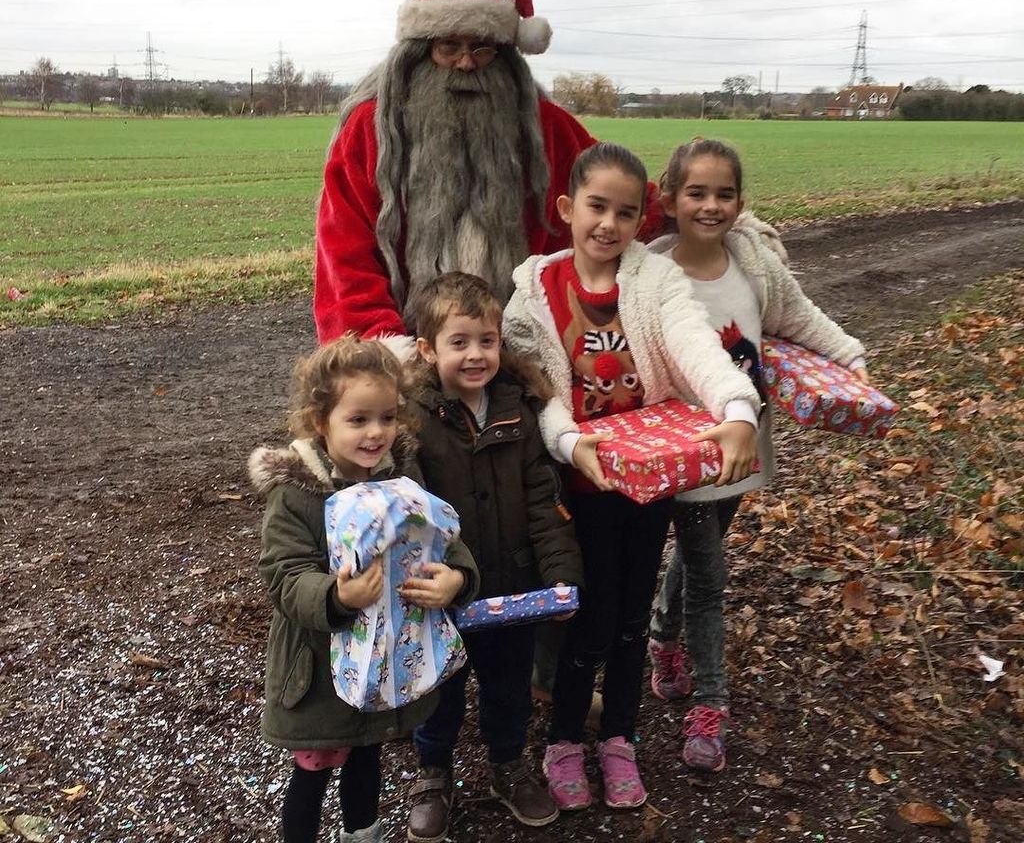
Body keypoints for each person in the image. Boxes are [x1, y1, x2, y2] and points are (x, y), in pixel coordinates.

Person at [502, 142, 762, 810]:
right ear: (567, 208)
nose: (608, 225)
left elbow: (693, 345)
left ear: (641, 217)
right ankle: (563, 741)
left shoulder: (656, 281)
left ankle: (619, 740)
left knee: (627, 622)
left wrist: (736, 408)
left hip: (645, 487)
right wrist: (567, 442)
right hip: (576, 491)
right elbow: (536, 388)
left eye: (625, 211)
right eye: (596, 207)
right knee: (582, 620)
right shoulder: (533, 290)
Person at [646, 137, 868, 773]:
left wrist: (849, 357)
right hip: (687, 454)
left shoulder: (752, 263)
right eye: (696, 193)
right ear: (669, 199)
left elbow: (797, 317)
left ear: (741, 202)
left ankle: (663, 636)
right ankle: (710, 706)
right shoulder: (652, 273)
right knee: (711, 579)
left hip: (748, 448)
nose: (710, 205)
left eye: (723, 194)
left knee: (701, 553)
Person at [313, 0, 660, 349]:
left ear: (504, 54)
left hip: (526, 345)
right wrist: (386, 347)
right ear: (420, 51)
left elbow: (623, 195)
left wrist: (694, 211)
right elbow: (345, 253)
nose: (466, 63)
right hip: (409, 349)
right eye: (449, 48)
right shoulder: (371, 131)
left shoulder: (547, 128)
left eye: (481, 47)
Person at [251, 335, 479, 843]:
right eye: (358, 420)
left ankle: (364, 835)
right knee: (313, 769)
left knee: (368, 758)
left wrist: (456, 579)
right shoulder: (298, 494)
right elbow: (285, 576)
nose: (375, 433)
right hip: (318, 678)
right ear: (320, 422)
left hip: (386, 666)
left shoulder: (402, 475)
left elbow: (443, 538)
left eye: (387, 417)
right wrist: (336, 596)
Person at [403, 272, 584, 842]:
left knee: (508, 685)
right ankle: (434, 773)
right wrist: (434, 578)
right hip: (443, 595)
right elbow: (411, 516)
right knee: (441, 692)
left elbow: (541, 497)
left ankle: (507, 765)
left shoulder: (515, 409)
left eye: (487, 340)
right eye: (459, 343)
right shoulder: (412, 419)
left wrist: (560, 574)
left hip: (512, 587)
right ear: (429, 350)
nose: (476, 354)